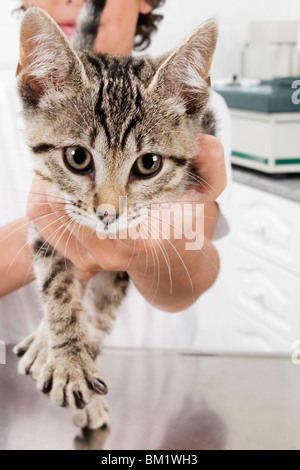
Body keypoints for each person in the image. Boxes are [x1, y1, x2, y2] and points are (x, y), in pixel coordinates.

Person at [0, 0, 231, 347]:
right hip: (19, 379)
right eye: (79, 157)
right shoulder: (43, 99)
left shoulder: (187, 117)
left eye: (146, 164)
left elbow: (194, 273)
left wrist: (165, 239)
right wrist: (45, 231)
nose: (109, 207)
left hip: (160, 371)